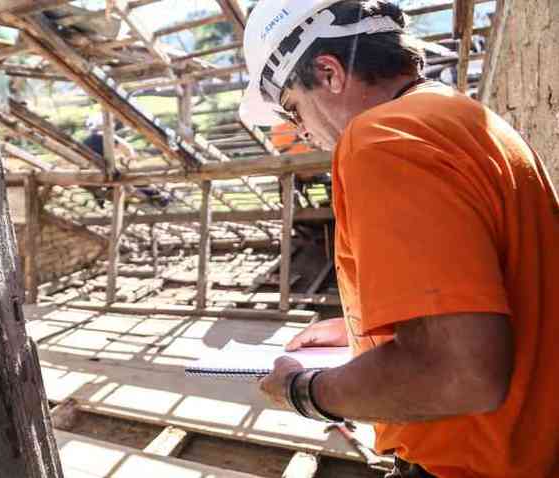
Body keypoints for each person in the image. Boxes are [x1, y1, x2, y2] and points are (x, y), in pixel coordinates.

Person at [238, 1, 558, 477]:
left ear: (328, 73)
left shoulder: (381, 139)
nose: (300, 132)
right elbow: (501, 297)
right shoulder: (467, 121)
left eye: (293, 109)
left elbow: (461, 373)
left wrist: (304, 391)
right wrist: (364, 331)